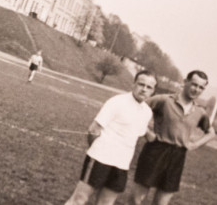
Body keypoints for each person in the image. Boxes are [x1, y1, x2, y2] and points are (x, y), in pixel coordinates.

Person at [65, 71, 158, 205]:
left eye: (149, 87)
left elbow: (139, 132)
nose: (144, 89)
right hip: (100, 158)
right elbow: (93, 130)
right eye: (141, 84)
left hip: (122, 164)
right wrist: (96, 150)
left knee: (106, 203)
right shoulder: (117, 102)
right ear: (133, 84)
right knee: (79, 199)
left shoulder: (147, 112)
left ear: (153, 91)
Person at [130, 70, 216, 205]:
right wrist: (146, 132)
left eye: (201, 87)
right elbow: (136, 110)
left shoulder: (200, 112)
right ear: (185, 82)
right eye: (194, 84)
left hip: (177, 156)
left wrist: (194, 145)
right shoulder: (164, 100)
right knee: (137, 198)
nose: (196, 89)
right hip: (156, 150)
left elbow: (211, 133)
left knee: (162, 202)